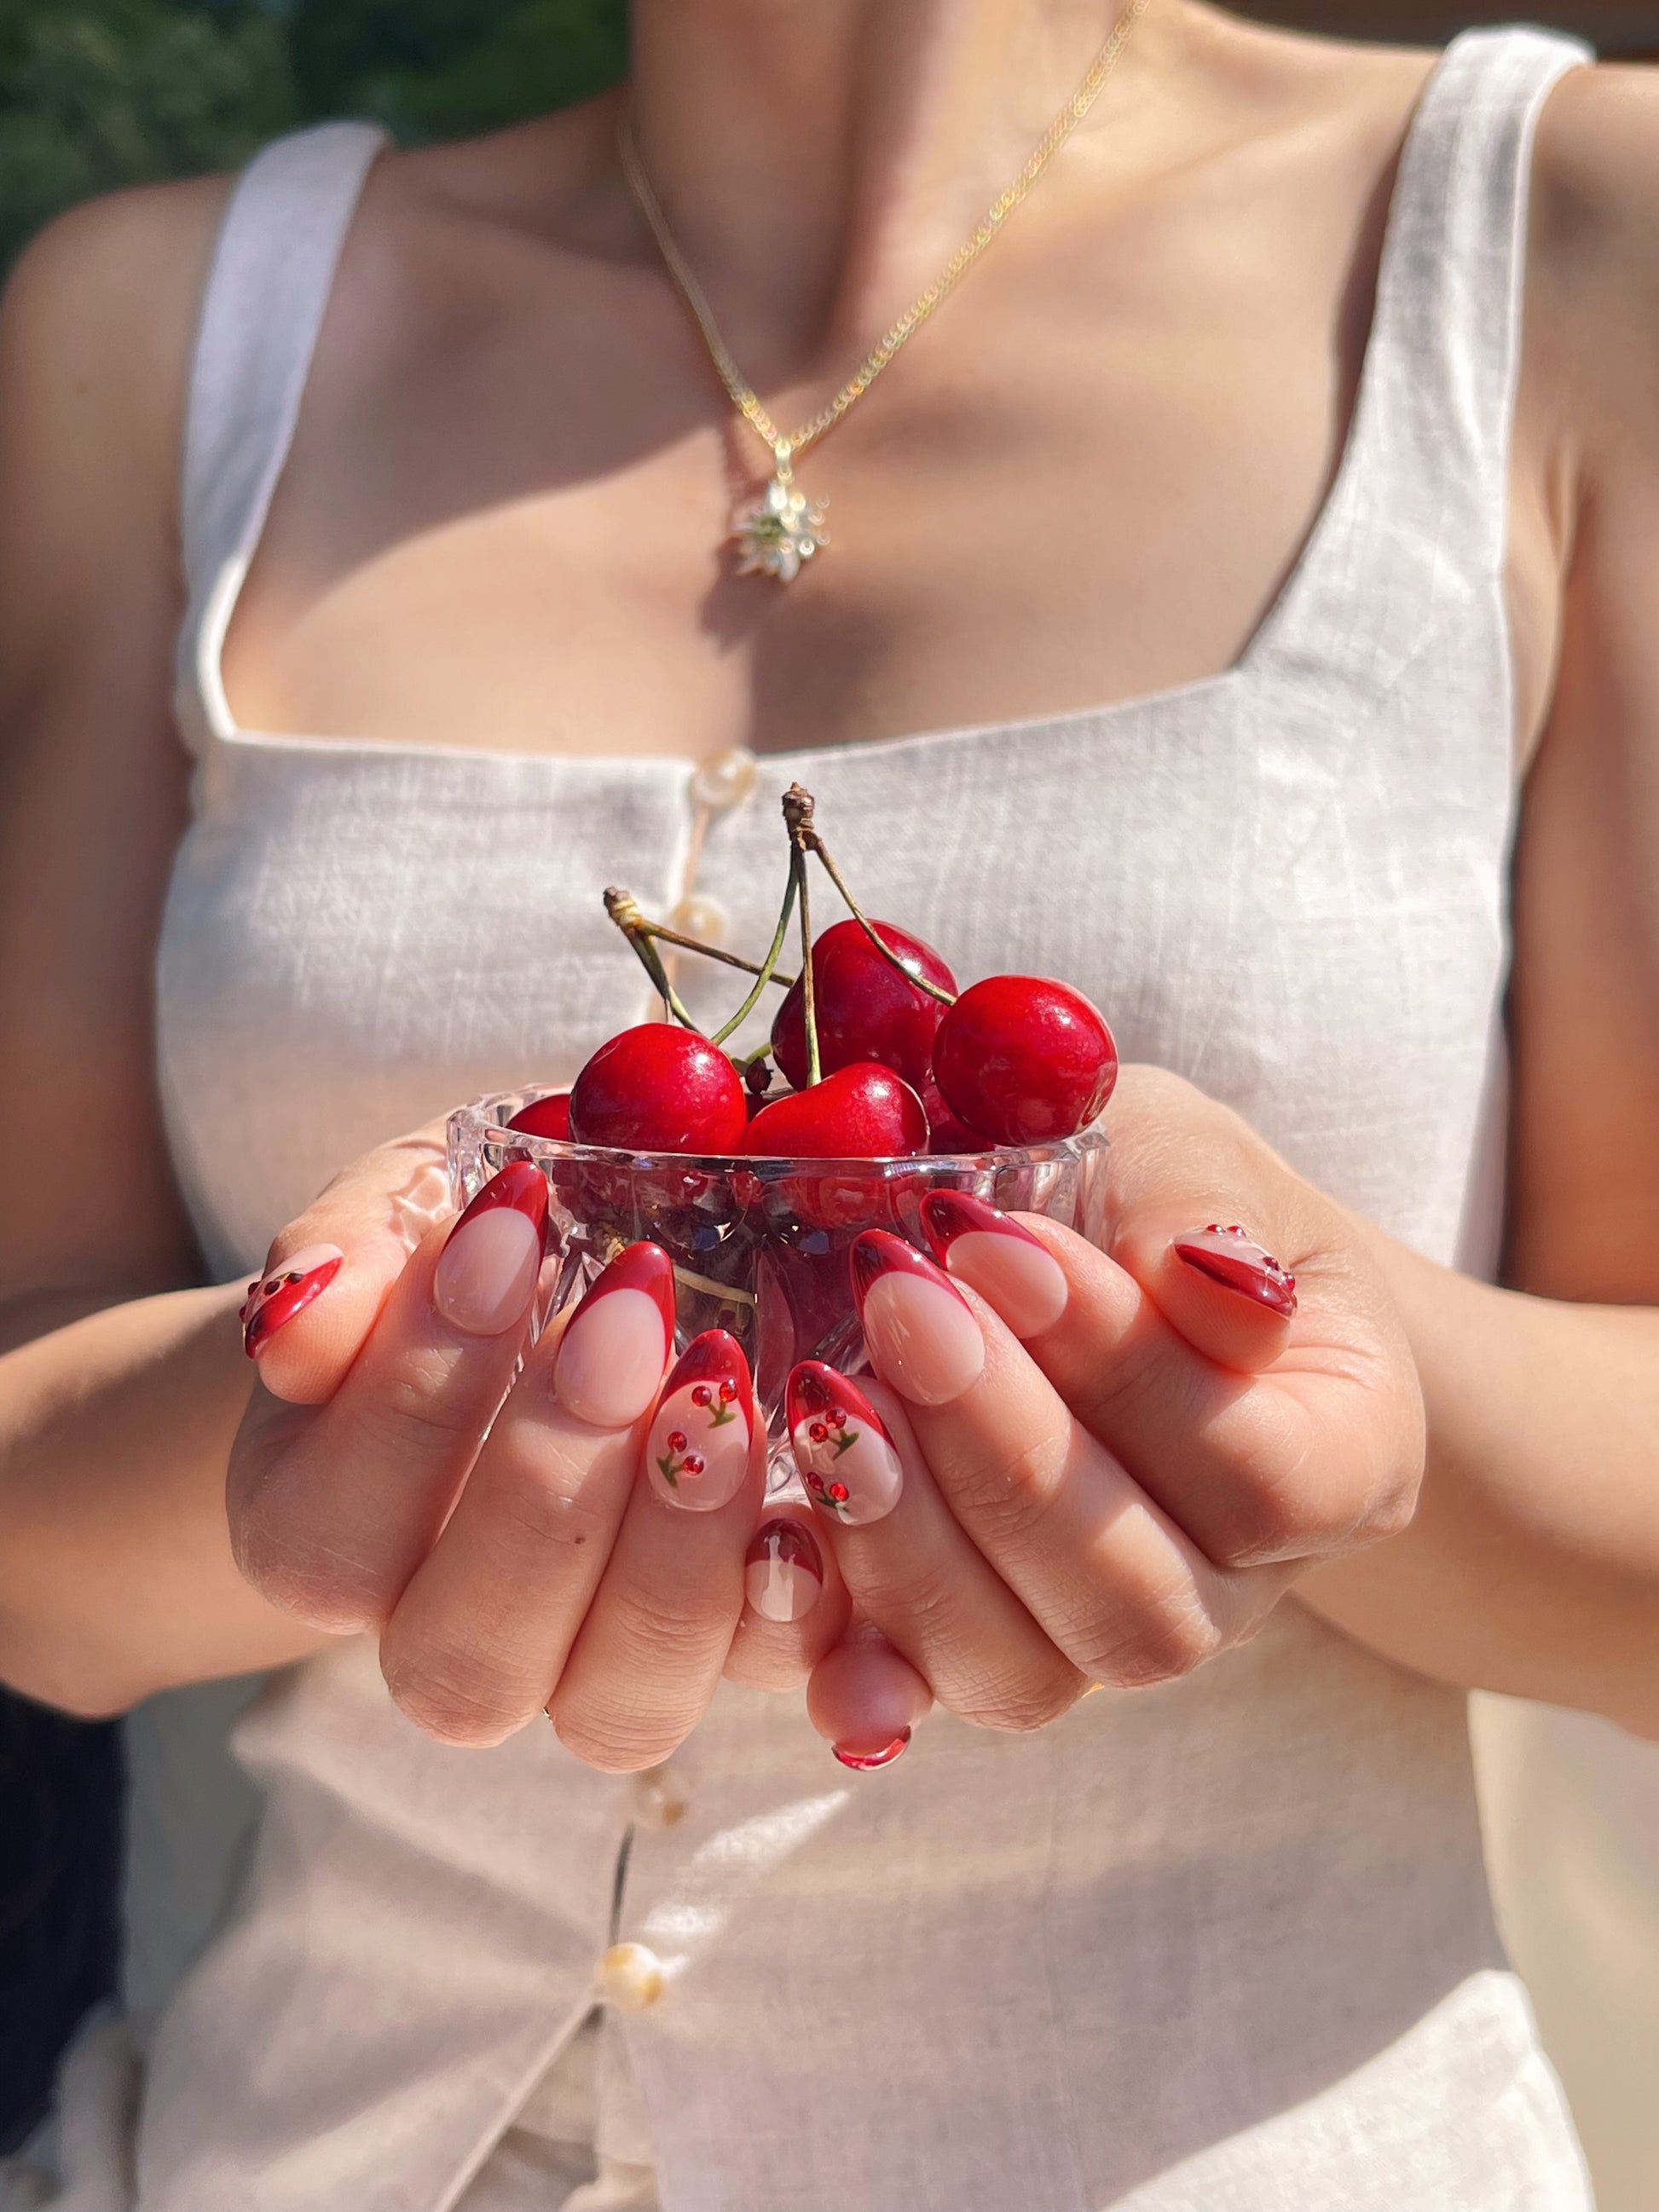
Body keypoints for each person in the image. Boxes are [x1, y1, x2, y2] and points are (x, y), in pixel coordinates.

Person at [1, 0, 1656, 2203]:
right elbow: (30, 1531)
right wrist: (333, 1403)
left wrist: (1316, 1404)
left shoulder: (1571, 236)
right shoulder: (154, 331)